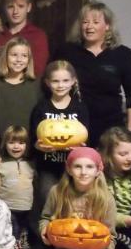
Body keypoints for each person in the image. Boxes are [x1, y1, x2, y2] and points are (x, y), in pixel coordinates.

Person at [54, 1, 131, 145]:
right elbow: (50, 85)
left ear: (107, 26)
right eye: (85, 22)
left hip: (110, 127)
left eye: (95, 22)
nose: (89, 27)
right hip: (71, 125)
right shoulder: (66, 51)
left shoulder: (123, 55)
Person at [39, 148, 122, 249]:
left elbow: (110, 235)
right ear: (69, 169)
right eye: (78, 166)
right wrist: (44, 230)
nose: (83, 172)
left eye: (89, 167)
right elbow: (45, 218)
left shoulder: (106, 198)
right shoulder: (57, 192)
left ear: (98, 170)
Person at [29, 60, 90, 223]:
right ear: (47, 83)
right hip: (47, 165)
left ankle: (66, 234)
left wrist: (80, 148)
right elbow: (34, 138)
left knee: (72, 201)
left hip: (73, 166)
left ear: (73, 81)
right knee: (46, 197)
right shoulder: (41, 108)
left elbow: (85, 136)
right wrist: (39, 146)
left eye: (65, 80)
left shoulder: (79, 108)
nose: (60, 85)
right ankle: (43, 234)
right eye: (55, 81)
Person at [0, 36, 41, 168]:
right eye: (14, 55)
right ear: (6, 57)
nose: (19, 59)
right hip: (4, 150)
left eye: (24, 56)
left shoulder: (35, 85)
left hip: (32, 150)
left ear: (29, 60)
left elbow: (41, 120)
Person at [0, 126, 35, 249]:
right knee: (11, 229)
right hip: (7, 206)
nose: (16, 146)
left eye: (21, 143)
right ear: (4, 144)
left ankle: (22, 244)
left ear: (27, 145)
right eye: (11, 142)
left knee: (24, 228)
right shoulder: (0, 164)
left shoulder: (31, 164)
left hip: (26, 206)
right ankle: (10, 248)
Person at [0, 0, 49, 77]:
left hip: (28, 87)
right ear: (4, 8)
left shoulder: (38, 35)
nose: (15, 11)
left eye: (21, 6)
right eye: (10, 7)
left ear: (29, 7)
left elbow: (38, 69)